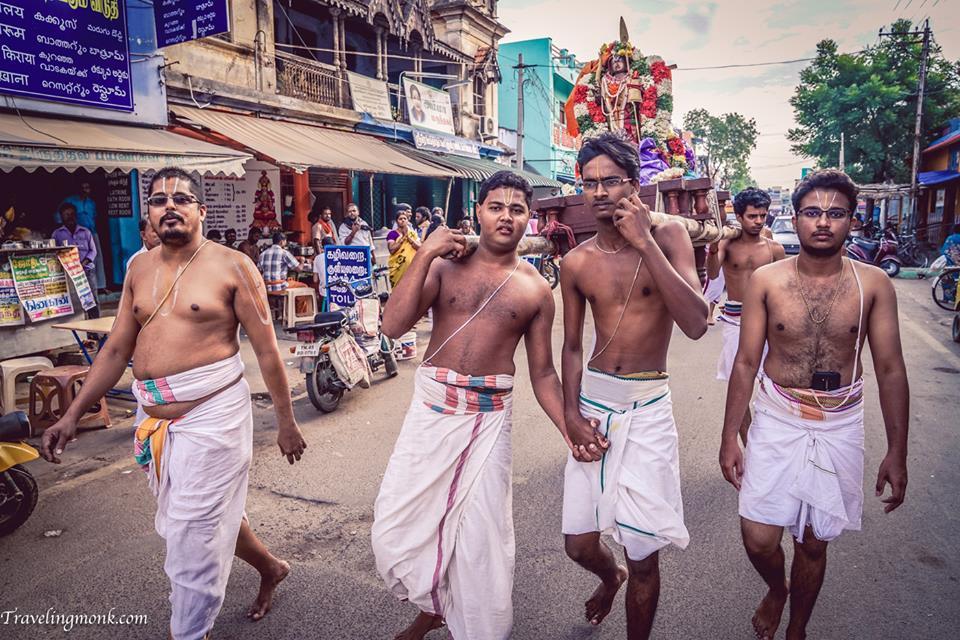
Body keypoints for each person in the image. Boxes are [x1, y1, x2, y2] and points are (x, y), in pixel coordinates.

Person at [40, 167, 307, 639]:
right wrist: (71, 415)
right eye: (160, 200)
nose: (170, 207)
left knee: (190, 532)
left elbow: (267, 349)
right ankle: (270, 566)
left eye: (182, 199)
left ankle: (189, 630)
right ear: (149, 214)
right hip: (155, 419)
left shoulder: (233, 266)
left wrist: (286, 421)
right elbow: (117, 349)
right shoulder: (137, 268)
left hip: (214, 415)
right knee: (205, 516)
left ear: (200, 211)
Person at [372, 171, 573, 640]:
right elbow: (393, 326)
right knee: (395, 530)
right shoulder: (443, 267)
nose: (506, 216)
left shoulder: (536, 290)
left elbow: (543, 372)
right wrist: (425, 251)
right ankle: (436, 605)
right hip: (431, 411)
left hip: (487, 421)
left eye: (517, 209)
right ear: (479, 211)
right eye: (496, 206)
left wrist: (570, 430)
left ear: (530, 219)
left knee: (481, 540)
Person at [719, 169, 908, 640]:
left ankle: (797, 628)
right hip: (778, 415)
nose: (823, 222)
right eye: (812, 213)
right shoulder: (767, 280)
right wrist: (728, 438)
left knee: (813, 541)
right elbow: (745, 362)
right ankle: (775, 589)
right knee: (759, 537)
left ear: (853, 220)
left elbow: (890, 369)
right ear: (796, 218)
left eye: (836, 213)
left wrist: (897, 450)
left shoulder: (875, 284)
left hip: (839, 422)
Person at [559, 133, 708, 638]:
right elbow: (573, 347)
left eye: (611, 180)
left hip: (648, 405)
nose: (600, 192)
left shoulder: (667, 237)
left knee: (644, 553)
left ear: (635, 182)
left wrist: (645, 240)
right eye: (589, 183)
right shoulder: (576, 262)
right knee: (578, 544)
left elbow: (695, 321)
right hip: (595, 403)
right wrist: (570, 417)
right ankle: (609, 576)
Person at [707, 187, 786, 444]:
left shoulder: (774, 248)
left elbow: (783, 289)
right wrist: (711, 250)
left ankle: (768, 444)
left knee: (773, 386)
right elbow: (712, 273)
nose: (759, 221)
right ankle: (749, 449)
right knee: (738, 389)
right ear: (739, 216)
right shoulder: (727, 244)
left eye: (763, 215)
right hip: (735, 322)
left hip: (768, 324)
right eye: (752, 216)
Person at [52, 203, 100, 319]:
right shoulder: (57, 234)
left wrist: (83, 264)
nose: (70, 217)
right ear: (61, 217)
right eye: (66, 214)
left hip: (87, 272)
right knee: (77, 303)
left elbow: (93, 251)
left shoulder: (86, 232)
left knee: (92, 301)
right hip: (70, 275)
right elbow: (54, 254)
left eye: (72, 214)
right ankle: (84, 329)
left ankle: (96, 331)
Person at [61, 181, 106, 291]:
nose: (86, 190)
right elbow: (59, 216)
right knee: (80, 260)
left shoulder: (91, 203)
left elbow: (94, 217)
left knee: (96, 259)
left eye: (87, 188)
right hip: (76, 234)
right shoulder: (70, 201)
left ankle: (99, 286)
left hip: (91, 232)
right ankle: (82, 286)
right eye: (83, 188)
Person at [386, 207, 421, 288]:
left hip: (412, 267)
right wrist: (402, 239)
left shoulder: (412, 234)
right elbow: (391, 250)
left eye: (405, 218)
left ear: (407, 220)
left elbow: (419, 248)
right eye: (400, 219)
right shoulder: (392, 234)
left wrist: (409, 239)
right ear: (396, 221)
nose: (403, 220)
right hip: (397, 268)